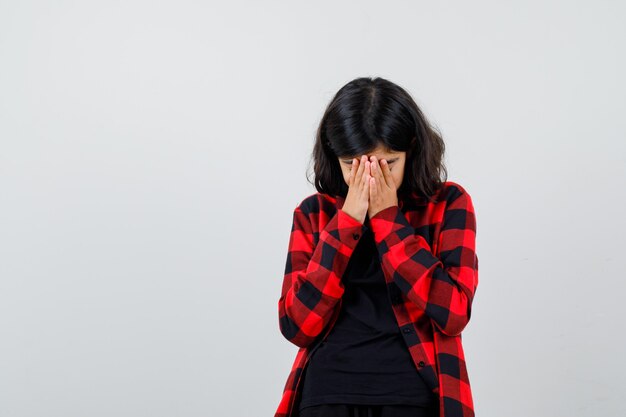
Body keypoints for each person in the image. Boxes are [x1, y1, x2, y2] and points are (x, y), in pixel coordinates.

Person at [275, 77, 479, 417]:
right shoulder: (314, 213)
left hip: (413, 393)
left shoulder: (448, 204)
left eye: (388, 164)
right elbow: (296, 325)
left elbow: (454, 312)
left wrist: (387, 219)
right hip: (327, 392)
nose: (369, 178)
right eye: (352, 166)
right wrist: (348, 221)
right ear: (334, 155)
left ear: (411, 149)